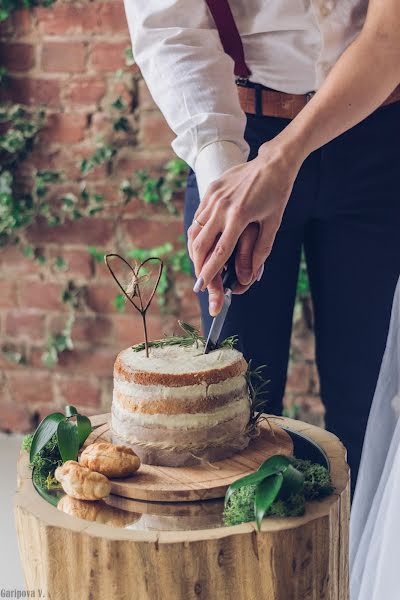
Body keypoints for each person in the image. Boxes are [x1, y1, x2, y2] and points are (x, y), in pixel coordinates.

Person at [123, 0, 400, 487]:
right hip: (238, 139)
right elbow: (170, 29)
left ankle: (352, 561)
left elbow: (389, 37)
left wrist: (281, 160)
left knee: (371, 405)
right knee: (233, 411)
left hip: (378, 132)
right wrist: (222, 173)